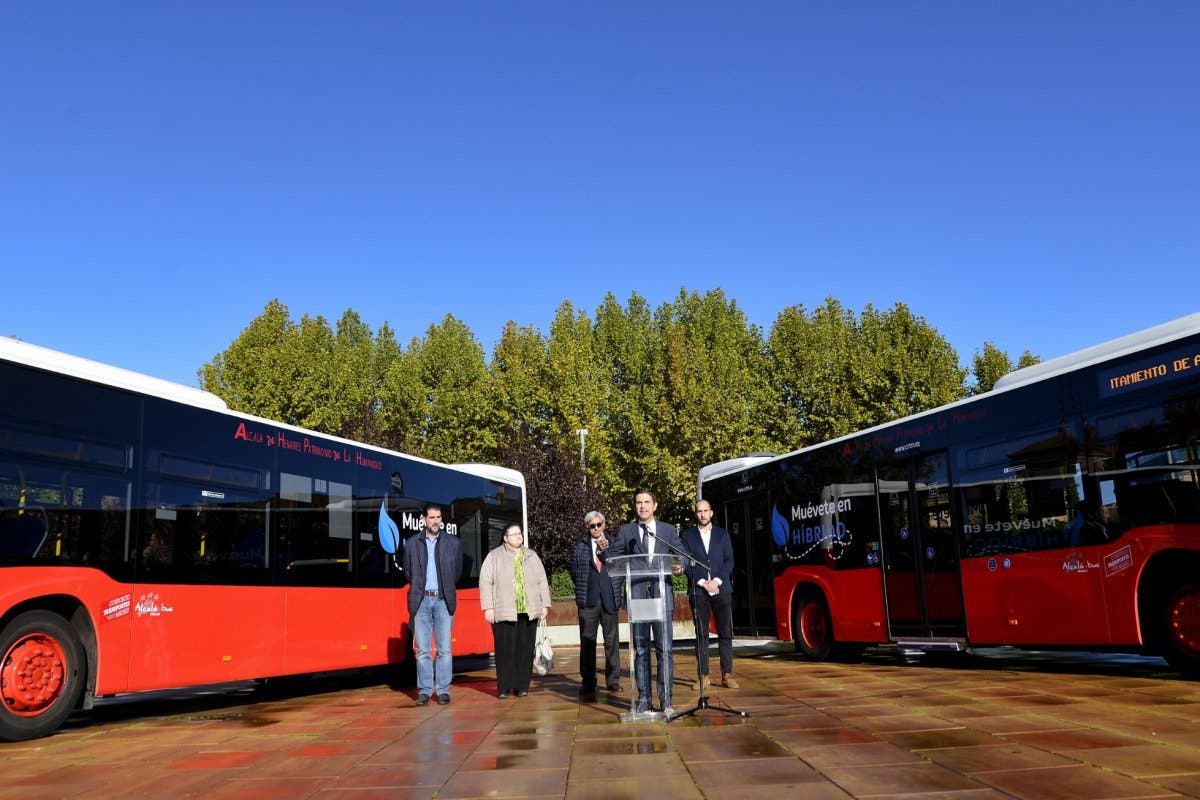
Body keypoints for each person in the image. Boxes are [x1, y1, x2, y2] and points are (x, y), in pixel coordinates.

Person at [612, 489, 683, 715]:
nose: (642, 506)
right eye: (638, 503)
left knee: (665, 650)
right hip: (638, 595)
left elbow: (681, 554)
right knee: (641, 650)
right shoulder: (627, 531)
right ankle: (643, 699)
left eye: (646, 502)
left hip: (662, 596)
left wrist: (681, 565)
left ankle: (666, 701)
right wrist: (606, 551)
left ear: (655, 505)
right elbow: (613, 558)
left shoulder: (667, 530)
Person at [479, 523, 551, 699]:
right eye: (514, 534)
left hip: (528, 610)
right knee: (505, 650)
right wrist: (488, 607)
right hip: (503, 611)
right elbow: (485, 582)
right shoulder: (494, 556)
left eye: (520, 533)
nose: (519, 536)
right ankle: (504, 687)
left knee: (525, 650)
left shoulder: (531, 556)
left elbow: (542, 580)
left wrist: (545, 605)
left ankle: (522, 686)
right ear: (505, 538)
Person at [403, 503, 463, 707]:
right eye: (431, 517)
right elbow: (408, 572)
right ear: (424, 520)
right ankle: (425, 690)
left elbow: (456, 572)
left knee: (445, 649)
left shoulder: (453, 543)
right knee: (422, 650)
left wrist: (444, 589)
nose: (435, 521)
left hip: (443, 600)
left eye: (438, 517)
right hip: (421, 601)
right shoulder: (412, 544)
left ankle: (443, 690)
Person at [680, 499, 738, 689]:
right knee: (701, 635)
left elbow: (729, 561)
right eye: (699, 511)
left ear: (711, 513)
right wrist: (703, 582)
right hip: (699, 591)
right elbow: (686, 563)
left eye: (706, 511)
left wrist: (716, 581)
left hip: (722, 589)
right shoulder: (687, 536)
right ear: (695, 514)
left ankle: (727, 675)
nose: (703, 514)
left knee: (725, 633)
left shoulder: (722, 534)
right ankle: (703, 676)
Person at [567, 511, 623, 701]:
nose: (596, 529)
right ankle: (588, 682)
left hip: (609, 599)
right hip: (588, 601)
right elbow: (574, 571)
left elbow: (617, 567)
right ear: (587, 527)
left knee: (612, 643)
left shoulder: (614, 544)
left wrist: (604, 550)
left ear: (604, 525)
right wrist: (585, 588)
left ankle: (613, 680)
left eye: (599, 524)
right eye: (592, 526)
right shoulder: (579, 546)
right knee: (587, 643)